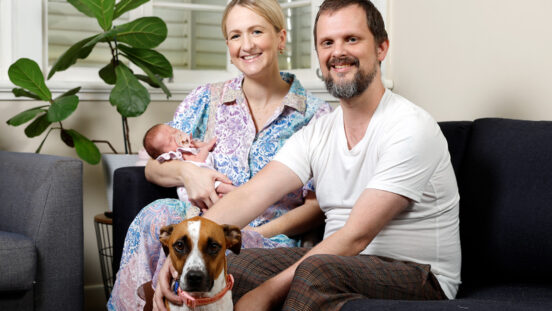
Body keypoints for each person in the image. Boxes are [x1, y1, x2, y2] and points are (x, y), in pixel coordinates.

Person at [154, 0, 461, 310]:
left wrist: (264, 294)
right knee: (231, 263)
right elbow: (250, 196)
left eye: (351, 39)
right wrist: (183, 256)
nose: (338, 52)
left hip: (417, 274)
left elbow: (355, 236)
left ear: (381, 48)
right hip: (341, 264)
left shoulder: (409, 127)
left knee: (316, 269)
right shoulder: (319, 132)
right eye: (327, 43)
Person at [107, 0, 331, 309]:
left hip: (268, 235)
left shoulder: (317, 116)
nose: (247, 45)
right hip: (197, 222)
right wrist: (189, 173)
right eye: (236, 35)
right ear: (227, 44)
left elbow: (317, 207)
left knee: (210, 245)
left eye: (256, 31)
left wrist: (249, 232)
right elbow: (150, 169)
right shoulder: (205, 100)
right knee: (157, 214)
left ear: (281, 38)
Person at [143, 123, 219, 204]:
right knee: (219, 186)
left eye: (174, 130)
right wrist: (207, 147)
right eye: (170, 141)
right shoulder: (179, 155)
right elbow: (199, 160)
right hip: (195, 190)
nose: (176, 136)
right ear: (165, 155)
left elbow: (201, 146)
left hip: (206, 179)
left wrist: (196, 145)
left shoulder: (188, 145)